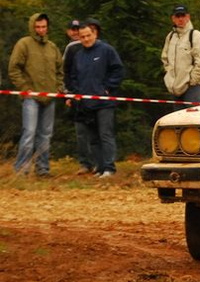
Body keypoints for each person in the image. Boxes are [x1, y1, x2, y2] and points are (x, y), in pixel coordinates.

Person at [7, 13, 63, 177]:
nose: (41, 30)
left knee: (45, 135)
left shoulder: (52, 47)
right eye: (37, 27)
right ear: (32, 27)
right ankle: (21, 170)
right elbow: (14, 69)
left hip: (50, 97)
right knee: (29, 132)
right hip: (31, 97)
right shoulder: (23, 44)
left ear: (47, 27)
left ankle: (43, 169)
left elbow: (60, 69)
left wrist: (59, 87)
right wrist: (25, 88)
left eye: (43, 27)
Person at [70, 22, 124, 178]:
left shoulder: (106, 50)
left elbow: (118, 70)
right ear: (79, 38)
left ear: (95, 34)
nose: (86, 39)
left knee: (105, 134)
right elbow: (73, 76)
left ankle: (109, 168)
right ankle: (99, 167)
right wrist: (77, 92)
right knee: (93, 137)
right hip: (86, 102)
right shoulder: (78, 55)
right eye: (82, 37)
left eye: (88, 35)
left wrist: (108, 88)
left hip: (105, 102)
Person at [161, 5, 200, 104]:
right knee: (177, 118)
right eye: (178, 16)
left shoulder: (195, 35)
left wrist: (192, 80)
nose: (181, 19)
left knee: (193, 118)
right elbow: (165, 58)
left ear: (188, 17)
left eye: (183, 16)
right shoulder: (170, 37)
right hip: (175, 87)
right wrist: (169, 76)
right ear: (173, 19)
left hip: (193, 87)